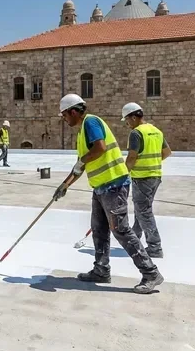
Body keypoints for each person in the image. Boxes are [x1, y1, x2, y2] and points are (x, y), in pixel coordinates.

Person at [55, 94, 163, 294]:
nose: (64, 119)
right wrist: (64, 185)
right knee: (99, 229)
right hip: (101, 187)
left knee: (121, 230)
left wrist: (82, 160)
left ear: (73, 111)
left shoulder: (91, 122)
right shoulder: (81, 134)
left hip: (114, 184)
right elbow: (81, 165)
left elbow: (100, 148)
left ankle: (151, 273)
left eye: (64, 115)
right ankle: (101, 269)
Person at [122, 102, 172, 258]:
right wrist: (153, 163)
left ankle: (155, 246)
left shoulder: (136, 133)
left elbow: (131, 157)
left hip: (142, 177)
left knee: (144, 211)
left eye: (127, 120)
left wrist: (122, 174)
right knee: (141, 209)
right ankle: (134, 238)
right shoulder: (156, 131)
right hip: (155, 176)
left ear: (133, 117)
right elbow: (167, 152)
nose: (127, 124)